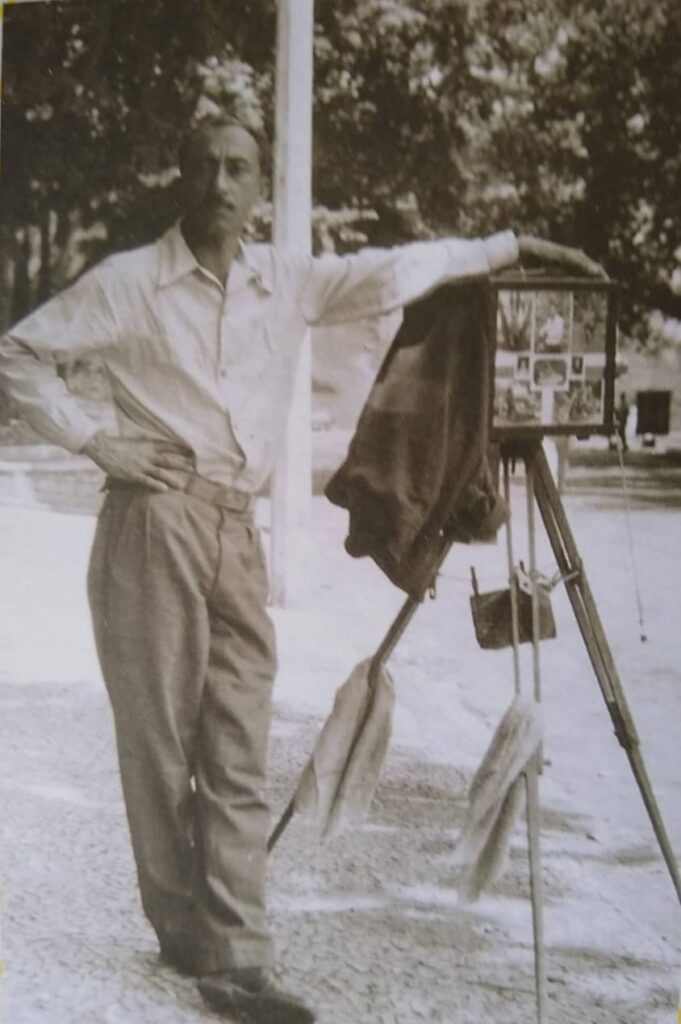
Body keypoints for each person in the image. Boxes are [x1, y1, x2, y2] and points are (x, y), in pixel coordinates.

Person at [0, 108, 602, 1024]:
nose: (220, 183)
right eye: (202, 166)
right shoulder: (128, 285)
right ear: (181, 177)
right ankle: (187, 931)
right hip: (152, 520)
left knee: (239, 734)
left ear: (259, 185)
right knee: (159, 744)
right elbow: (16, 353)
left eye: (237, 167)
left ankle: (238, 956)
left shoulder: (288, 279)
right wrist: (99, 443)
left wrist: (511, 243)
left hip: (237, 530)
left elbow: (397, 269)